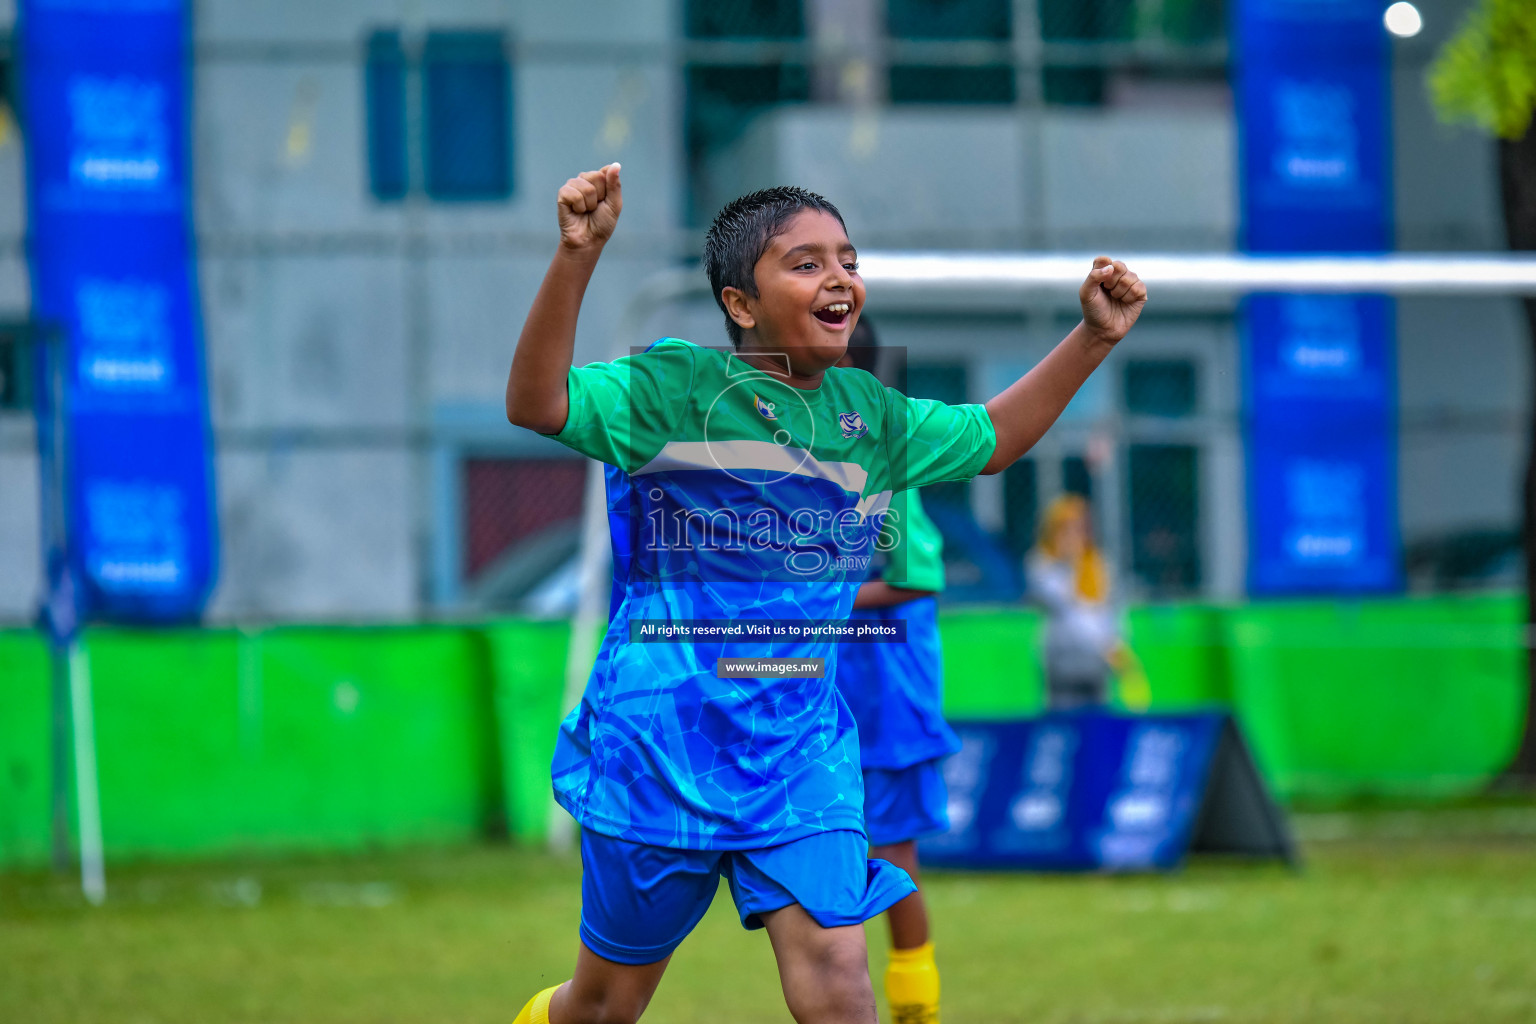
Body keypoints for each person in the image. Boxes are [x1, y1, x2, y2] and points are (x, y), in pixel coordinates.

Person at [504, 163, 1147, 1024]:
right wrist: (576, 256)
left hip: (798, 753)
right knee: (605, 1005)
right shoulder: (670, 390)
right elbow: (535, 402)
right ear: (741, 304)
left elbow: (992, 436)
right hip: (660, 749)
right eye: (804, 263)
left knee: (842, 986)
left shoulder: (869, 414)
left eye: (846, 258)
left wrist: (1093, 338)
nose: (838, 276)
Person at [834, 318, 957, 1024]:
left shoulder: (886, 457)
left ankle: (917, 1007)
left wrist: (826, 600)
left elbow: (918, 576)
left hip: (887, 690)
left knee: (892, 850)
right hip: (830, 686)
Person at [1026, 494, 1135, 711]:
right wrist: (1070, 562)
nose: (1076, 534)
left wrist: (1116, 645)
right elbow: (1065, 604)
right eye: (1067, 528)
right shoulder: (1041, 563)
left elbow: (1108, 610)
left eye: (1080, 527)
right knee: (1063, 719)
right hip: (1062, 659)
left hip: (1097, 661)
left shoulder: (1098, 564)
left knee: (1099, 718)